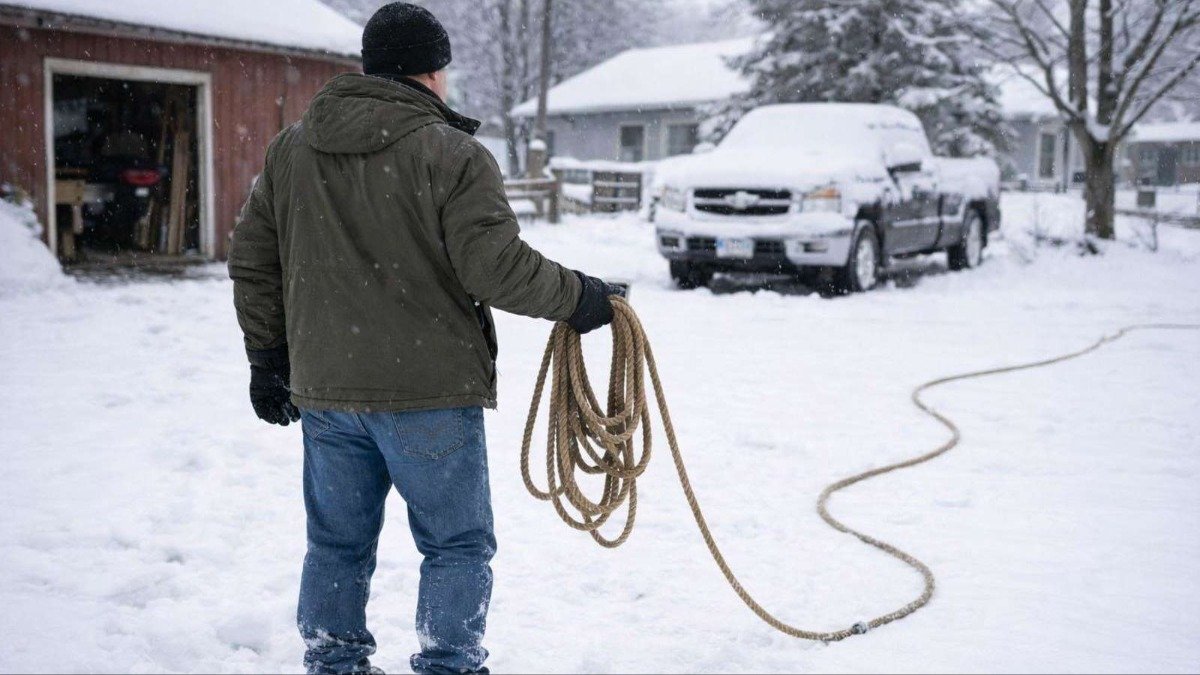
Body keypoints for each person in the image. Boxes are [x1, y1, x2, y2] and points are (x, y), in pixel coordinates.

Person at [227, 3, 617, 673]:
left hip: (326, 391)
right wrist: (580, 296)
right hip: (427, 389)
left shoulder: (292, 149)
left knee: (336, 543)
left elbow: (253, 260)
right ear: (433, 73)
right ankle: (449, 664)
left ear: (371, 68)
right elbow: (494, 267)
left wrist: (268, 358)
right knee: (456, 544)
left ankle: (332, 660)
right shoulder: (451, 153)